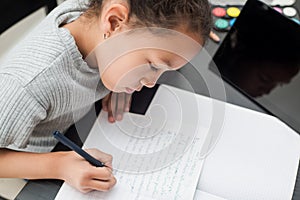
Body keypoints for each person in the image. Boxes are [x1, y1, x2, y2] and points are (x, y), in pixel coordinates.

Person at [0, 0, 212, 193]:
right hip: (35, 162)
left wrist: (116, 85)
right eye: (153, 66)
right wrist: (58, 165)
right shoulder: (28, 84)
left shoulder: (100, 20)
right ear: (113, 22)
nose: (150, 82)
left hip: (78, 127)